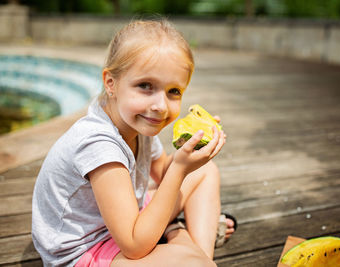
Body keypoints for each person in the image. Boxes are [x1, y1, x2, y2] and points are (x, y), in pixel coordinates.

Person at [32, 19, 236, 267]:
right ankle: (180, 237)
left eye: (174, 91)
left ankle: (197, 253)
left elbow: (162, 173)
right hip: (86, 250)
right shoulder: (98, 144)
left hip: (127, 222)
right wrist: (181, 168)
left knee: (204, 171)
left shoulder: (136, 123)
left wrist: (191, 153)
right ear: (111, 83)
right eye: (145, 86)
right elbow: (133, 245)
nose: (160, 106)